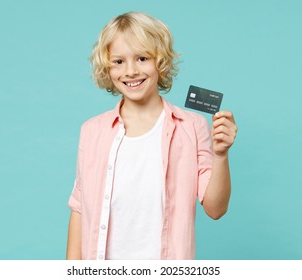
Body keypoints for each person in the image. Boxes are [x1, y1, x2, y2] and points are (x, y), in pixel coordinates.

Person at [66, 11, 237, 260]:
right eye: (118, 61)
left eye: (142, 58)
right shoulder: (92, 130)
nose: (131, 71)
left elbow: (216, 208)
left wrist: (221, 155)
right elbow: (80, 208)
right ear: (107, 66)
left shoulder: (191, 126)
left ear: (160, 62)